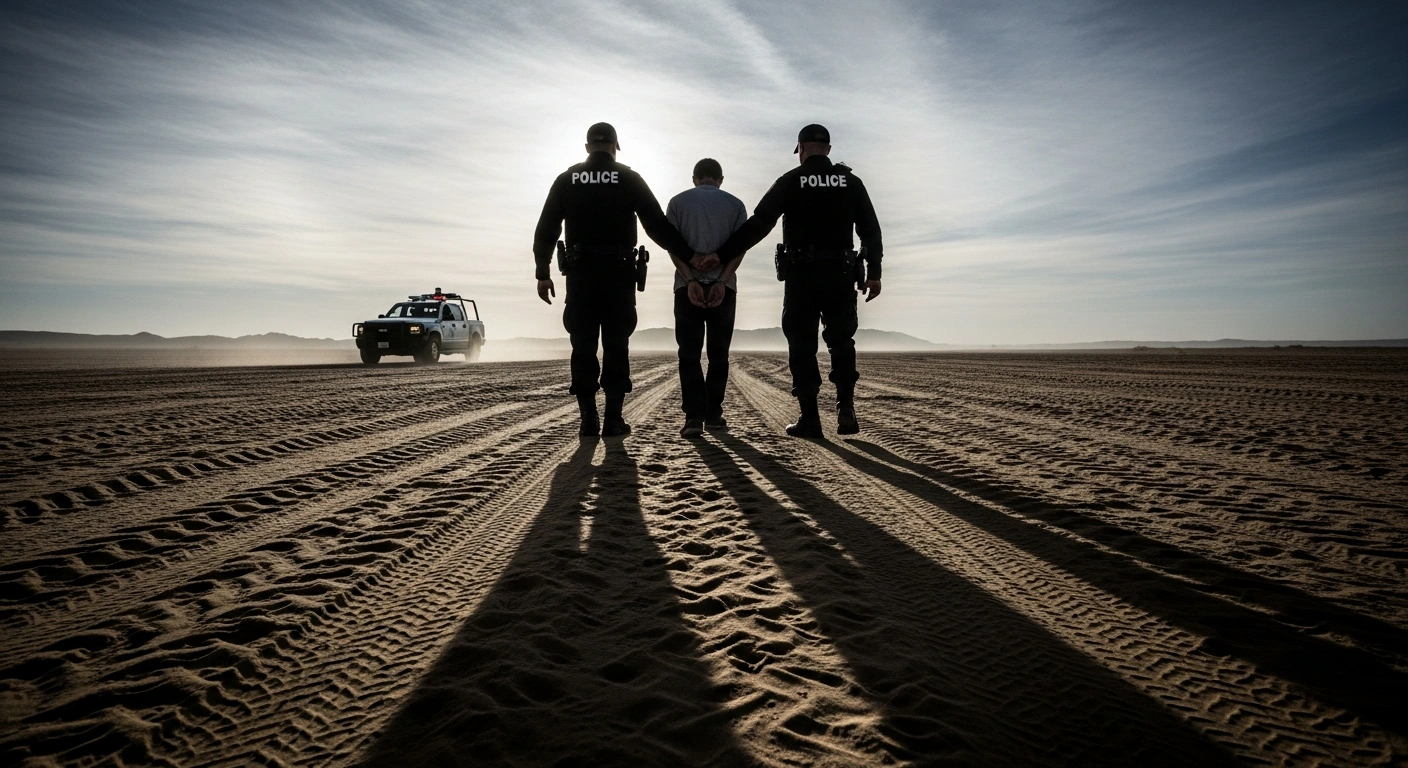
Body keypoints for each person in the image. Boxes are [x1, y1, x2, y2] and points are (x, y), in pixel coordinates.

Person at [712, 124, 883, 438]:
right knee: (842, 341)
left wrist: (722, 254)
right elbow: (870, 229)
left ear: (800, 148)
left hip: (803, 275)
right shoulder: (850, 181)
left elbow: (760, 222)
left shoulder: (791, 181)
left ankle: (810, 419)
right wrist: (874, 273)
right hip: (841, 274)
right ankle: (846, 407)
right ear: (828, 149)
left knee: (802, 345)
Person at [533, 122, 697, 437]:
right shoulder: (629, 178)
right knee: (616, 345)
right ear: (614, 146)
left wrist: (543, 273)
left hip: (580, 275)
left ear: (586, 148)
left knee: (582, 345)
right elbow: (657, 226)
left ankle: (587, 420)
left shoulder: (567, 180)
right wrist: (691, 256)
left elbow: (546, 229)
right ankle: (613, 420)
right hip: (618, 274)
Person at [666, 158, 748, 439]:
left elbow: (672, 246)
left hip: (686, 287)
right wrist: (722, 281)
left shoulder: (677, 202)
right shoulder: (735, 205)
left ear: (694, 178)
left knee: (688, 355)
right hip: (724, 289)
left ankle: (693, 418)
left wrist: (689, 279)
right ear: (720, 179)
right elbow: (739, 249)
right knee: (718, 356)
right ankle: (714, 416)